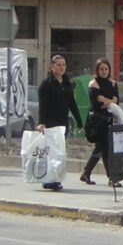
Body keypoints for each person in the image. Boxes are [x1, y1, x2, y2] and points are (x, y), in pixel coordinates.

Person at [37, 54, 83, 191]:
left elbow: (72, 104)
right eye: (58, 65)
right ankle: (51, 180)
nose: (62, 67)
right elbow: (43, 105)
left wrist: (79, 122)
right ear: (52, 67)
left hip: (63, 123)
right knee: (52, 153)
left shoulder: (67, 84)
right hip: (50, 123)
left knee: (59, 152)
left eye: (64, 65)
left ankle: (53, 179)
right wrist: (42, 122)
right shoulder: (46, 84)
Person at [80, 57, 120, 186]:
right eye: (101, 69)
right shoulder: (93, 84)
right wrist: (110, 101)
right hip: (97, 121)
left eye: (106, 69)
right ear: (97, 70)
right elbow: (97, 105)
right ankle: (111, 177)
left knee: (102, 149)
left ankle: (86, 173)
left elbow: (117, 100)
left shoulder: (113, 83)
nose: (104, 71)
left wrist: (106, 101)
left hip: (109, 120)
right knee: (105, 148)